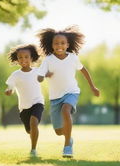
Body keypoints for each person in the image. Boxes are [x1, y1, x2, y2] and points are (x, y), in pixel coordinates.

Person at [37, 26, 100, 158]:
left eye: (62, 43)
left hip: (72, 92)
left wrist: (92, 86)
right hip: (55, 97)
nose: (59, 45)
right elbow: (39, 77)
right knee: (59, 131)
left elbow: (84, 70)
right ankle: (68, 138)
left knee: (66, 110)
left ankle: (67, 147)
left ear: (67, 45)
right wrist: (44, 75)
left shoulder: (72, 57)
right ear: (52, 45)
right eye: (56, 43)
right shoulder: (48, 60)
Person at [5, 44, 44, 157]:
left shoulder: (37, 71)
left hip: (38, 102)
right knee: (29, 130)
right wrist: (9, 91)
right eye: (20, 57)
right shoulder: (15, 75)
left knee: (34, 122)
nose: (23, 59)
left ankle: (33, 150)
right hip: (24, 107)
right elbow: (10, 88)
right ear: (17, 60)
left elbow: (47, 75)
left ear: (31, 58)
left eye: (26, 57)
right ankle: (32, 136)